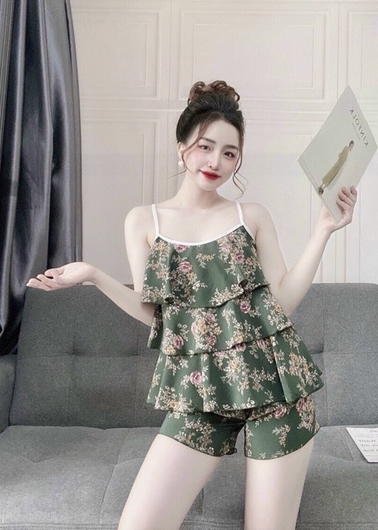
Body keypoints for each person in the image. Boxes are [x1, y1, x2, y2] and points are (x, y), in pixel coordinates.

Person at [27, 80, 357, 530]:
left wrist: (322, 230)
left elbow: (281, 301)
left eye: (229, 153)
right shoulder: (144, 221)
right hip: (201, 394)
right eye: (206, 146)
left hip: (278, 391)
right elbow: (157, 315)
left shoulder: (250, 216)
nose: (216, 161)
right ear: (182, 147)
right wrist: (93, 275)